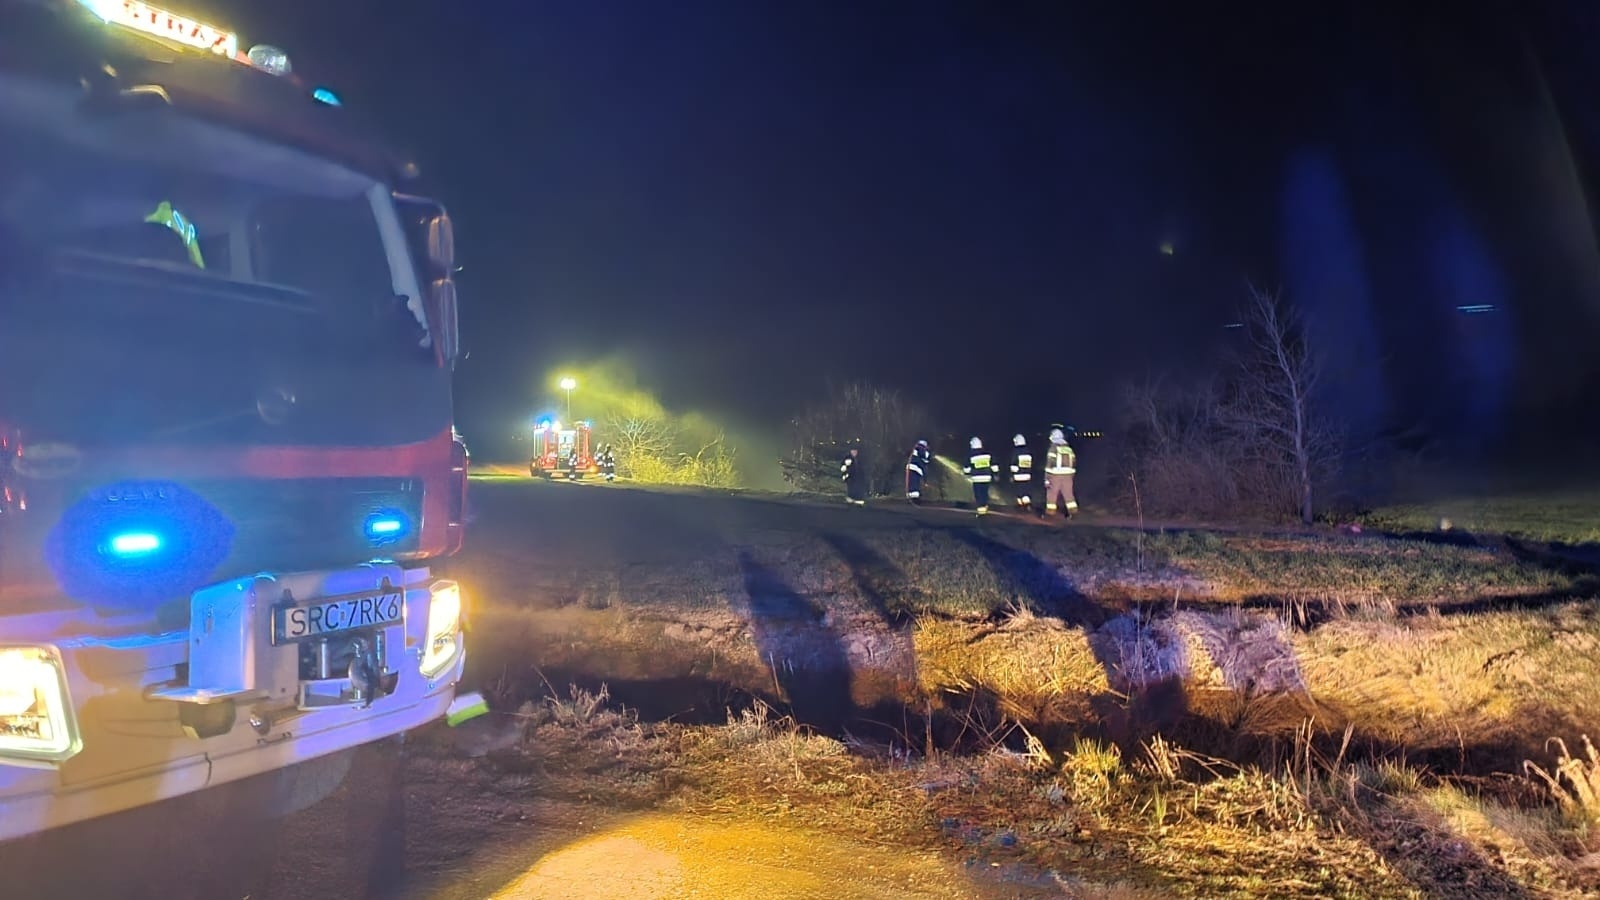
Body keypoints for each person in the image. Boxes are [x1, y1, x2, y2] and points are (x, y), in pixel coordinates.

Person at [1044, 426, 1078, 519]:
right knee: (1069, 494)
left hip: (1055, 475)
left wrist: (1047, 479)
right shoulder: (1069, 449)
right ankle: (1073, 513)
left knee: (1052, 494)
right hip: (1068, 476)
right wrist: (1071, 476)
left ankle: (1050, 514)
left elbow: (1049, 465)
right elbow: (1074, 463)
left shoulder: (1053, 448)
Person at [962, 436, 995, 516]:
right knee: (984, 492)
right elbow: (994, 465)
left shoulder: (971, 455)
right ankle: (984, 506)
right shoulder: (987, 454)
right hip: (987, 477)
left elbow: (967, 468)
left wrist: (966, 474)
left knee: (979, 494)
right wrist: (995, 474)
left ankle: (981, 512)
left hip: (977, 478)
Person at [1008, 433, 1035, 512]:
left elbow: (1013, 465)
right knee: (1026, 490)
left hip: (1018, 476)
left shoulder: (1016, 452)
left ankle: (1020, 506)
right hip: (1027, 475)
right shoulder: (1028, 451)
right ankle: (1028, 504)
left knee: (1019, 491)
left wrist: (1012, 475)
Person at [905, 439, 931, 503]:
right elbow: (924, 465)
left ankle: (911, 497)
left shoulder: (914, 450)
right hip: (915, 469)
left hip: (909, 467)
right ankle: (915, 499)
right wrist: (925, 481)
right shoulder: (922, 451)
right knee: (915, 483)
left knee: (911, 482)